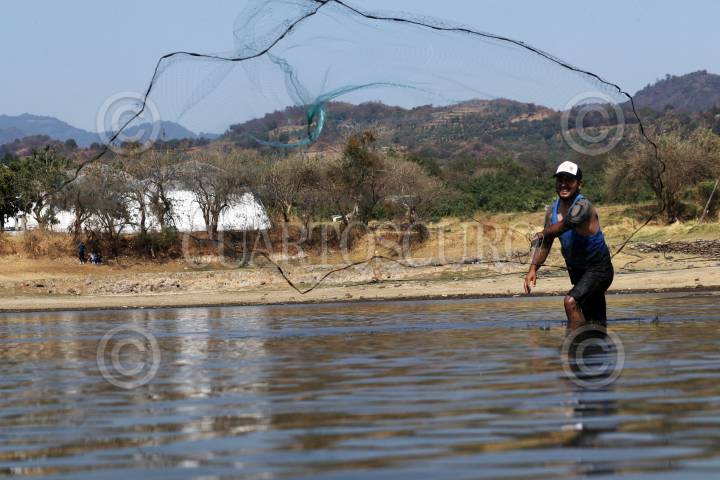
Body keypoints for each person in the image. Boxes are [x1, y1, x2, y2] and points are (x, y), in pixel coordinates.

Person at [524, 161, 614, 329]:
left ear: (579, 184)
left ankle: (574, 345)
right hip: (578, 273)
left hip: (599, 270)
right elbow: (546, 243)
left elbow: (567, 224)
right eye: (560, 180)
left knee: (570, 301)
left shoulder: (583, 206)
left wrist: (543, 232)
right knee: (596, 322)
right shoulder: (552, 211)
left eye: (569, 180)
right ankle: (596, 348)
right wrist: (533, 269)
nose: (563, 184)